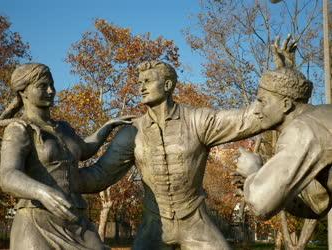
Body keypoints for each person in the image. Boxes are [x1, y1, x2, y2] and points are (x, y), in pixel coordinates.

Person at [76, 60, 265, 250]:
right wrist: (56, 175)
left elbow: (246, 119)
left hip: (195, 222)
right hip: (154, 227)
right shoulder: (132, 132)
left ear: (167, 85)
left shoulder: (197, 120)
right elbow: (99, 176)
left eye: (148, 81)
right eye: (139, 82)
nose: (141, 88)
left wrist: (279, 79)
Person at [0, 63, 132, 250]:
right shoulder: (19, 129)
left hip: (75, 219)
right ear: (23, 92)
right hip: (37, 220)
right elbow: (8, 176)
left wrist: (107, 127)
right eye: (42, 86)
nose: (51, 90)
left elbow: (85, 150)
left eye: (52, 85)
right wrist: (42, 193)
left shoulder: (64, 128)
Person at [235, 36, 332, 220]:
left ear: (286, 104)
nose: (256, 110)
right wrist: (262, 177)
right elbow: (316, 204)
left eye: (262, 101)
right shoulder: (318, 118)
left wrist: (253, 172)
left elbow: (260, 205)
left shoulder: (303, 130)